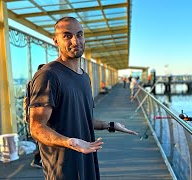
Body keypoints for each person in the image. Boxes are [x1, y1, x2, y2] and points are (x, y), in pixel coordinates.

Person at [29, 17, 138, 180]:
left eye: (79, 34)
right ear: (56, 41)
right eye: (67, 36)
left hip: (87, 161)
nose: (75, 40)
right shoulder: (48, 75)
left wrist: (111, 125)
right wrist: (70, 142)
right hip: (63, 169)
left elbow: (81, 118)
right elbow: (36, 127)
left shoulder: (84, 77)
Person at [23, 64, 45, 168]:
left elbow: (26, 100)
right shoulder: (34, 83)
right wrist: (26, 114)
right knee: (42, 139)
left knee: (41, 139)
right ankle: (37, 160)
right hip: (38, 115)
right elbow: (27, 100)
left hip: (37, 114)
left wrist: (26, 114)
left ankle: (40, 160)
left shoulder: (31, 83)